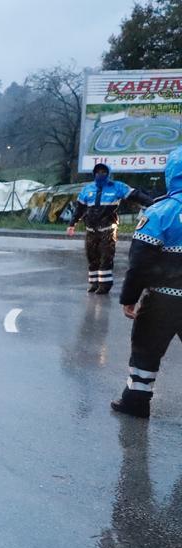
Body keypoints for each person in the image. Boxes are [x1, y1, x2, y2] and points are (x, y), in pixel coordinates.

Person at [111, 146, 182, 419]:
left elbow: (140, 264)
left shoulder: (159, 212)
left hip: (162, 302)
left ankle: (136, 403)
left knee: (145, 353)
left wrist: (129, 298)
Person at [67, 163, 155, 294]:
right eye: (98, 172)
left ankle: (104, 285)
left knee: (106, 257)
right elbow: (79, 209)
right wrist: (72, 224)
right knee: (92, 257)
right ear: (94, 174)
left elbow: (136, 195)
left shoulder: (117, 187)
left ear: (108, 174)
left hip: (107, 230)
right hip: (91, 231)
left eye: (103, 172)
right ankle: (94, 282)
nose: (100, 174)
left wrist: (153, 204)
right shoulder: (87, 189)